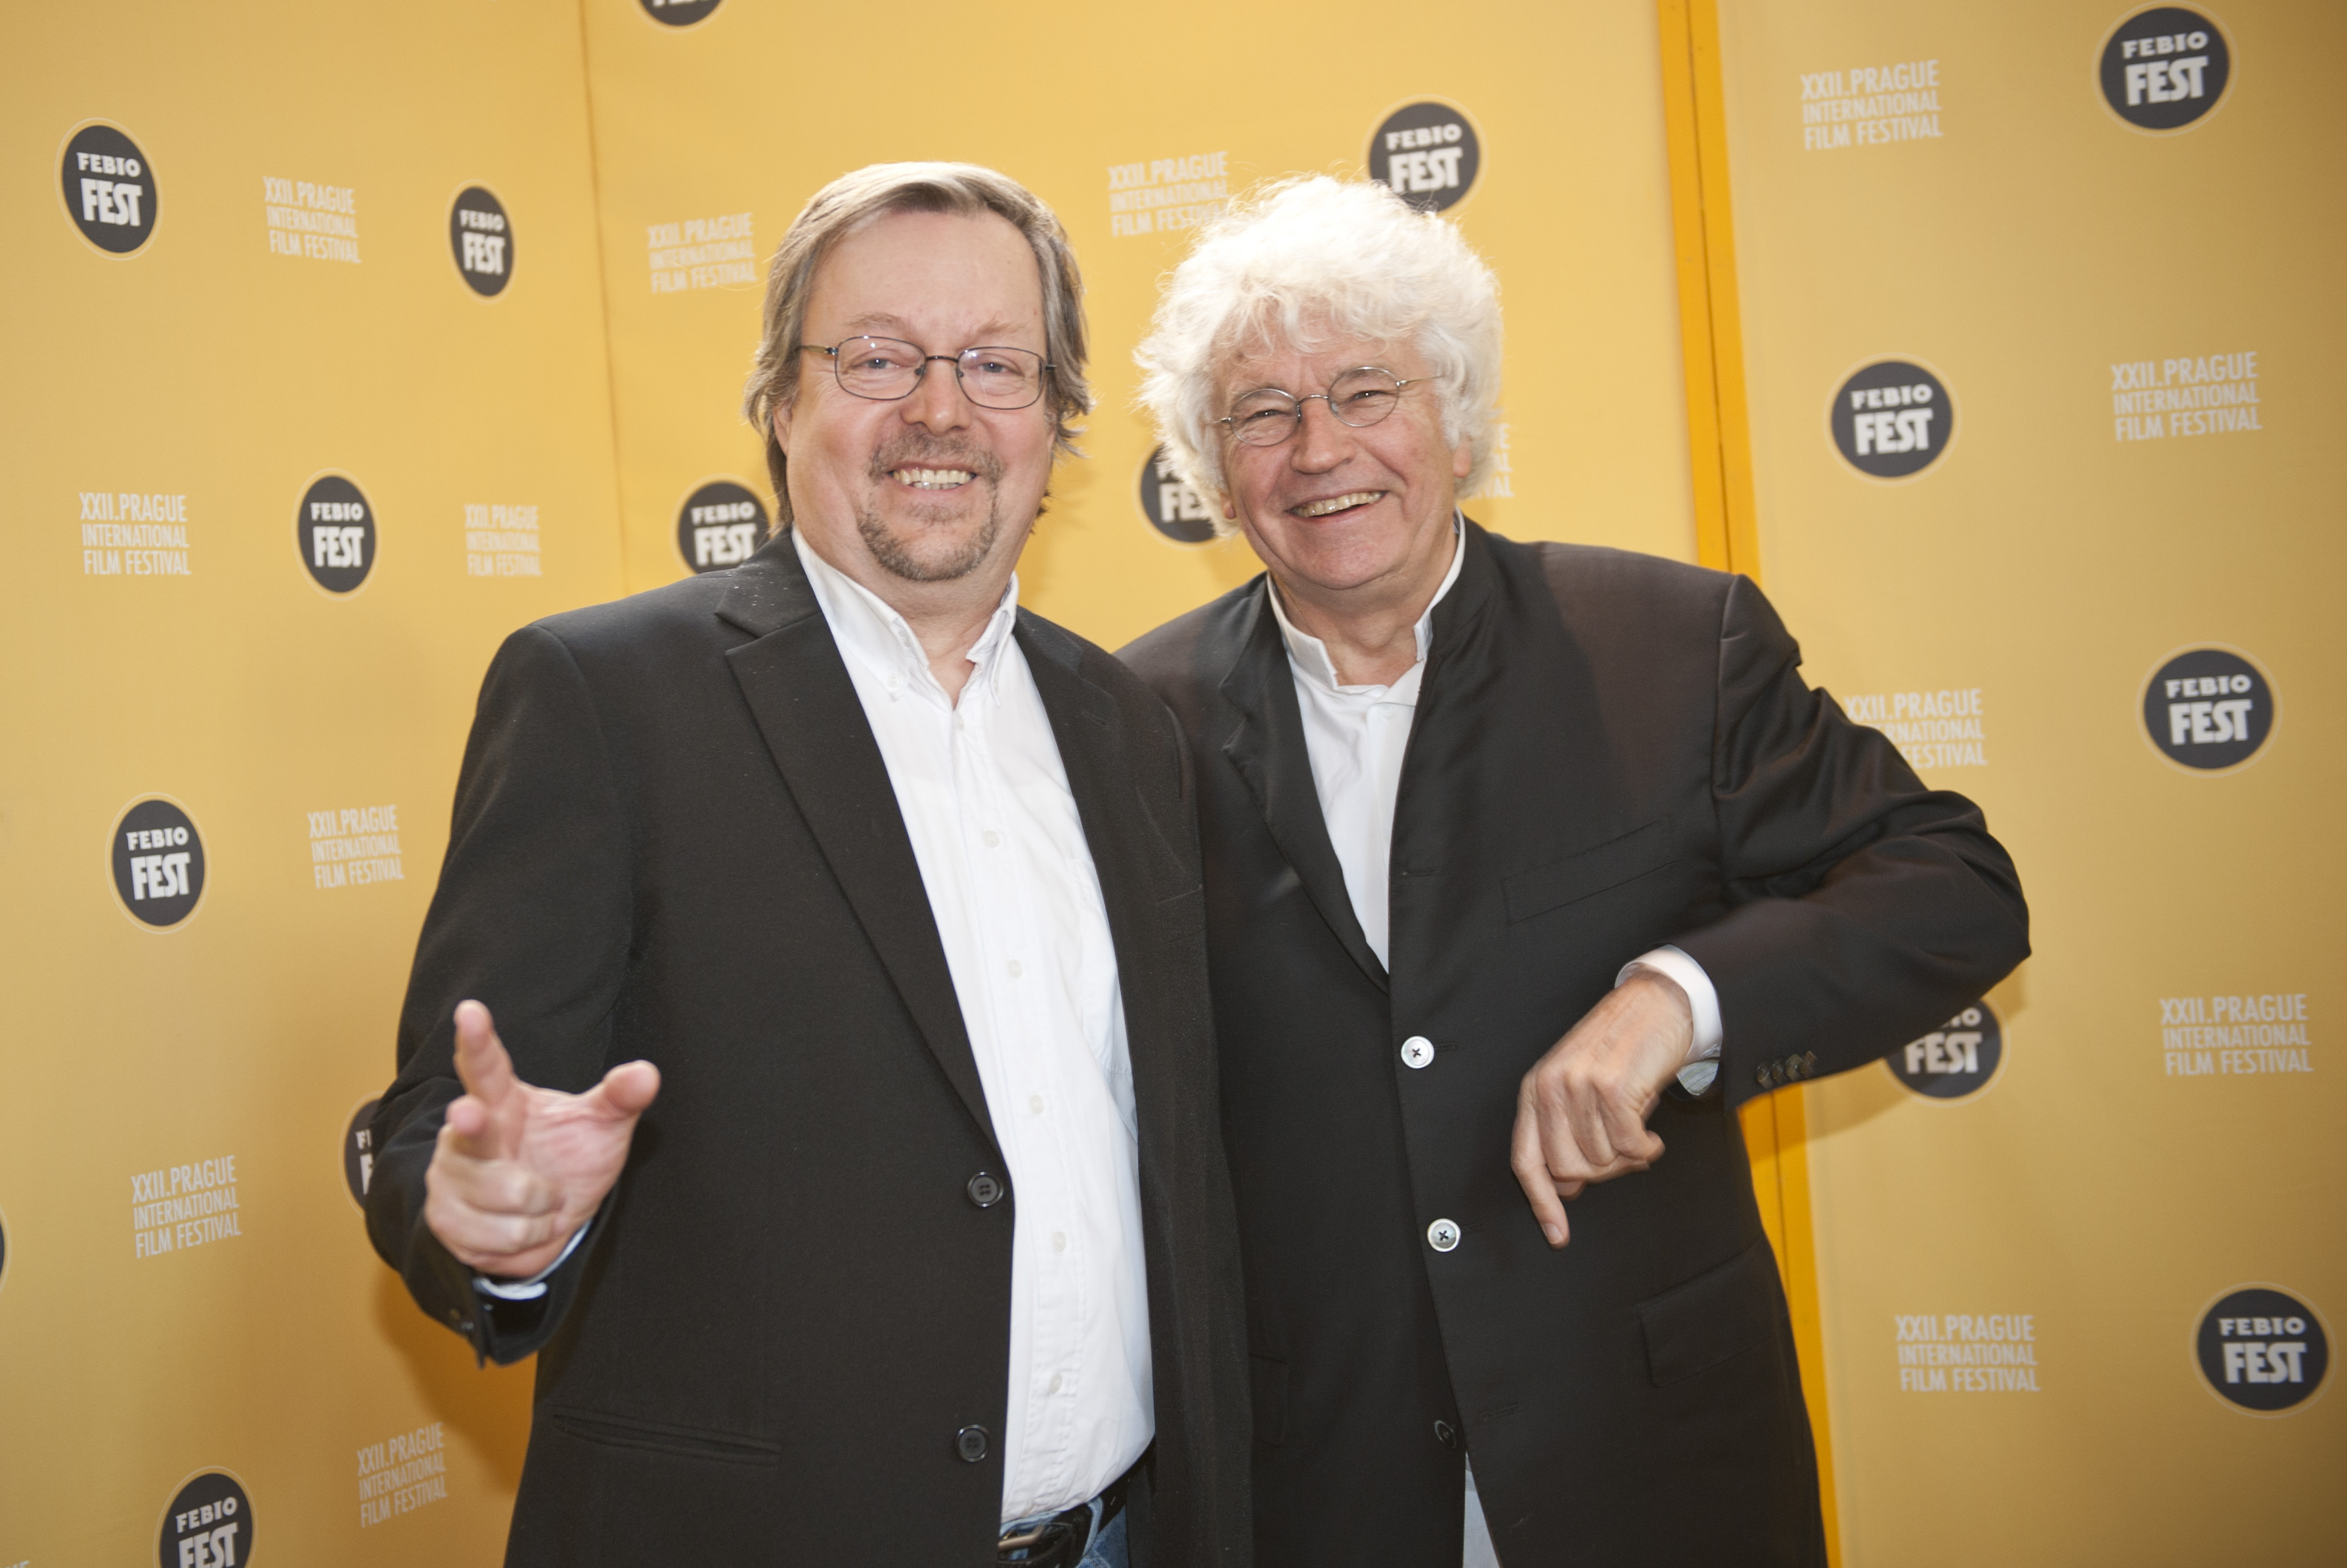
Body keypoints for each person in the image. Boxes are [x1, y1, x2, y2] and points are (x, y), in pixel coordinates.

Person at [1118, 176, 2028, 1568]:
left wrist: (1674, 1000)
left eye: (1366, 391)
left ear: (1460, 421)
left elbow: (1951, 885)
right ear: (1208, 468)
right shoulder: (1130, 724)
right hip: (1315, 1487)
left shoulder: (1668, 644)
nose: (1318, 450)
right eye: (1262, 412)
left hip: (1651, 1462)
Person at [364, 163, 1250, 1568]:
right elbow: (447, 1121)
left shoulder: (1123, 722)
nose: (940, 409)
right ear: (780, 401)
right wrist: (491, 1216)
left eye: (994, 365)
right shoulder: (603, 697)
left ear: (1055, 422)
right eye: (878, 357)